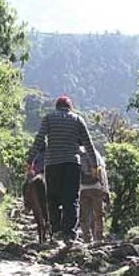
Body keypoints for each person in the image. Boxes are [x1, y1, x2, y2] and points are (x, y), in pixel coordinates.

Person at [26, 95, 97, 242]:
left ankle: (56, 230)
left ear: (57, 107)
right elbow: (88, 144)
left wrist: (30, 160)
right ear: (70, 107)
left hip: (52, 164)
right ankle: (69, 233)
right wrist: (94, 165)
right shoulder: (77, 119)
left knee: (52, 198)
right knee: (71, 198)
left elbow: (39, 139)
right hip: (72, 164)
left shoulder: (49, 118)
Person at [79, 146, 109, 242]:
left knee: (83, 216)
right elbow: (102, 172)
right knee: (98, 215)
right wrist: (106, 190)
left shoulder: (76, 153)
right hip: (96, 187)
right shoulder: (95, 153)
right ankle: (99, 238)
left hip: (82, 188)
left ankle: (87, 238)